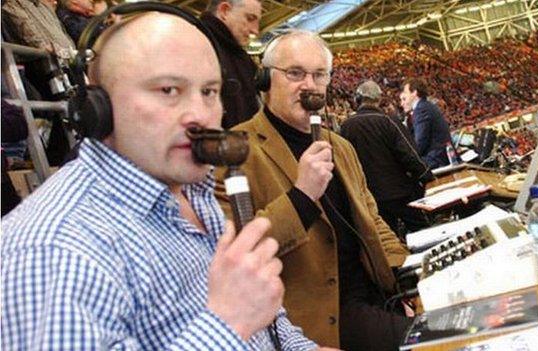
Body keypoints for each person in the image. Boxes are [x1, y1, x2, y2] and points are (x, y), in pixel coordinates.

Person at [1, 11, 325, 350]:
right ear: (97, 108)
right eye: (169, 89)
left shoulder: (193, 189)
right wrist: (229, 323)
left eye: (209, 91)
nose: (200, 114)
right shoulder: (54, 251)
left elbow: (269, 325)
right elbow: (240, 317)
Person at [216, 30, 412, 351]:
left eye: (319, 75)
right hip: (321, 317)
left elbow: (373, 221)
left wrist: (408, 277)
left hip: (377, 295)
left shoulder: (341, 147)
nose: (309, 84)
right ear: (265, 80)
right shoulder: (235, 152)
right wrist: (302, 196)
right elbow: (236, 253)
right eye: (295, 73)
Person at [340, 80, 431, 238]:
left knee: (391, 241)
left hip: (372, 198)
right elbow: (409, 154)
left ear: (358, 99)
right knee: (425, 233)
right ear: (379, 100)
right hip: (400, 193)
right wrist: (426, 175)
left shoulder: (346, 126)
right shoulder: (388, 121)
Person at [200, 0, 260, 129]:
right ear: (224, 11)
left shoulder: (240, 58)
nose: (255, 30)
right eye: (250, 18)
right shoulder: (198, 47)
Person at [400, 78, 452, 169]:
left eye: (405, 92)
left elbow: (419, 144)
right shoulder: (426, 106)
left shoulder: (421, 110)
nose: (404, 95)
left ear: (414, 93)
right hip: (439, 156)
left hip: (435, 160)